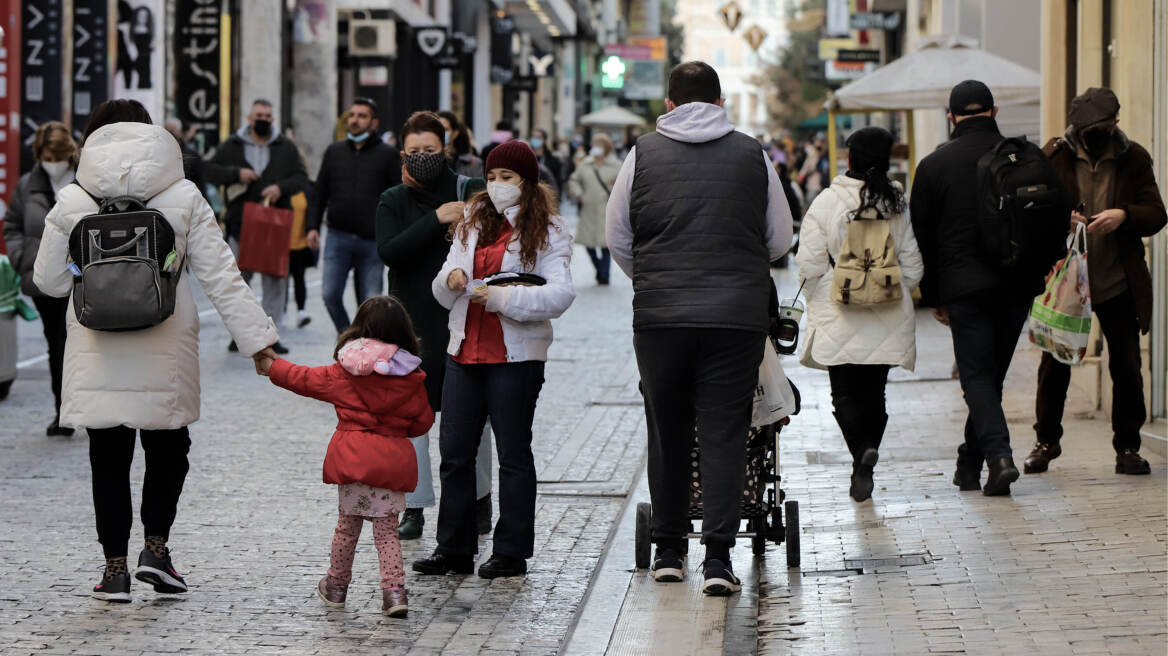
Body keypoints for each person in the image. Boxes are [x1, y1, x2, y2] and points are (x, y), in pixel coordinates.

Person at [32, 99, 279, 603]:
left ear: (94, 136)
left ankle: (114, 570)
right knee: (168, 449)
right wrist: (258, 342)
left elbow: (49, 282)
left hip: (97, 345)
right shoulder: (182, 193)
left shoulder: (74, 196)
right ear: (151, 135)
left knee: (108, 455)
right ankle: (157, 552)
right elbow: (221, 277)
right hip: (166, 340)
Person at [605, 61, 793, 595]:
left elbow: (616, 235)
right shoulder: (753, 153)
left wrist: (655, 278)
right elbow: (779, 239)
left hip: (661, 320)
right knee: (725, 433)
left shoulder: (641, 153)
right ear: (721, 101)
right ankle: (717, 560)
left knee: (667, 431)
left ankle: (668, 551)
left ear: (668, 104)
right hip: (734, 320)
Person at [414, 140, 575, 579]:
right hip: (464, 350)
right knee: (455, 453)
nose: (497, 185)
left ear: (526, 181)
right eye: (491, 176)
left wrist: (503, 297)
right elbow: (441, 287)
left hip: (515, 355)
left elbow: (561, 294)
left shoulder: (549, 229)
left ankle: (511, 550)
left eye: (507, 177)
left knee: (513, 453)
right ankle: (454, 548)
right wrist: (450, 279)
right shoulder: (471, 219)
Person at [910, 80, 1067, 497]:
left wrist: (933, 297)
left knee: (977, 377)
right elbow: (1056, 212)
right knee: (989, 376)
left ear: (951, 118)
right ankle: (969, 464)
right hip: (1018, 284)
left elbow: (921, 238)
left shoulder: (933, 165)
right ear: (994, 113)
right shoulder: (1025, 157)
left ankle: (999, 458)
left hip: (964, 288)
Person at [258, 296, 433, 617]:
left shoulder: (346, 371)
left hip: (353, 460)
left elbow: (305, 379)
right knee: (387, 533)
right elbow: (422, 423)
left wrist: (272, 366)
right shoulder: (411, 378)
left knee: (347, 529)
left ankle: (336, 586)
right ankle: (394, 593)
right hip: (391, 466)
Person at [1025, 88, 1167, 476]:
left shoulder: (1133, 158)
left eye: (1104, 128)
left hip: (1117, 280)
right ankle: (1046, 442)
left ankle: (1128, 447)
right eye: (1090, 130)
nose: (1097, 135)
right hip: (1069, 281)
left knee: (1126, 366)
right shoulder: (1054, 155)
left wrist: (1124, 214)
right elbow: (1031, 210)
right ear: (1076, 128)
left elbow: (1157, 213)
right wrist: (1061, 219)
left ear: (1115, 125)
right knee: (1056, 364)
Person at [375, 112, 493, 540]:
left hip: (464, 318)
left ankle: (479, 502)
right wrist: (437, 219)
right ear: (402, 153)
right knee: (413, 421)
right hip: (412, 324)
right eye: (414, 151)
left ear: (445, 149)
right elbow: (390, 251)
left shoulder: (472, 190)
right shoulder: (393, 199)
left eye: (430, 150)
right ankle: (415, 506)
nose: (422, 158)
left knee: (474, 420)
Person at [796, 127, 923, 502]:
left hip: (840, 313)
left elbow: (809, 264)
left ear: (848, 159)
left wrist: (832, 287)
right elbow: (913, 265)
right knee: (876, 395)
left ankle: (861, 452)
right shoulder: (896, 201)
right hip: (887, 312)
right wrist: (889, 287)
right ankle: (865, 456)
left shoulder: (826, 202)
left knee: (844, 396)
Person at [206, 98, 308, 352]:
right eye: (258, 115)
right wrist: (236, 174)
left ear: (273, 120)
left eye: (267, 116)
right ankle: (241, 334)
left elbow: (302, 178)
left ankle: (270, 337)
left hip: (274, 224)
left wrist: (279, 188)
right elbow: (210, 171)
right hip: (241, 224)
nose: (262, 119)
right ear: (249, 118)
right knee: (239, 283)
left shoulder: (286, 148)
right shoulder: (232, 145)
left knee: (275, 281)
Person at [3, 122, 79, 436]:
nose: (54, 160)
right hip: (43, 276)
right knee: (56, 342)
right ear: (39, 154)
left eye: (59, 154)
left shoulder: (85, 181)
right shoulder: (27, 186)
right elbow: (13, 225)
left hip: (81, 277)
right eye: (49, 155)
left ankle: (83, 407)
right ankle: (62, 411)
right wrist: (24, 259)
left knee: (80, 343)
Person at [305, 98, 401, 334]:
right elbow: (319, 192)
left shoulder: (387, 155)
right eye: (352, 115)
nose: (355, 120)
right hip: (339, 237)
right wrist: (312, 227)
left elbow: (398, 196)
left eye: (362, 116)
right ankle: (348, 335)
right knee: (329, 294)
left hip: (373, 241)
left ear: (374, 122)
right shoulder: (334, 151)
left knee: (371, 302)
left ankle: (366, 343)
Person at [567, 133, 621, 285]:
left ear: (606, 147)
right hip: (588, 210)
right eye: (594, 144)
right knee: (589, 245)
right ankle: (600, 270)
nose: (596, 147)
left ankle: (604, 276)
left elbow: (623, 184)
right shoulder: (585, 164)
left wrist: (611, 192)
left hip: (607, 210)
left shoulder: (616, 165)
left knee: (605, 245)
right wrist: (579, 194)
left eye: (599, 145)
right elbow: (574, 181)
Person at [163, 117, 207, 198]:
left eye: (172, 132)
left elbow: (200, 184)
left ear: (179, 133)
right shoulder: (159, 153)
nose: (169, 136)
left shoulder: (191, 156)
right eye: (167, 132)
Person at [437, 111, 483, 179]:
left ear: (455, 133)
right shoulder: (430, 160)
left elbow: (478, 188)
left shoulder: (472, 163)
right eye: (437, 129)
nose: (440, 132)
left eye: (445, 129)